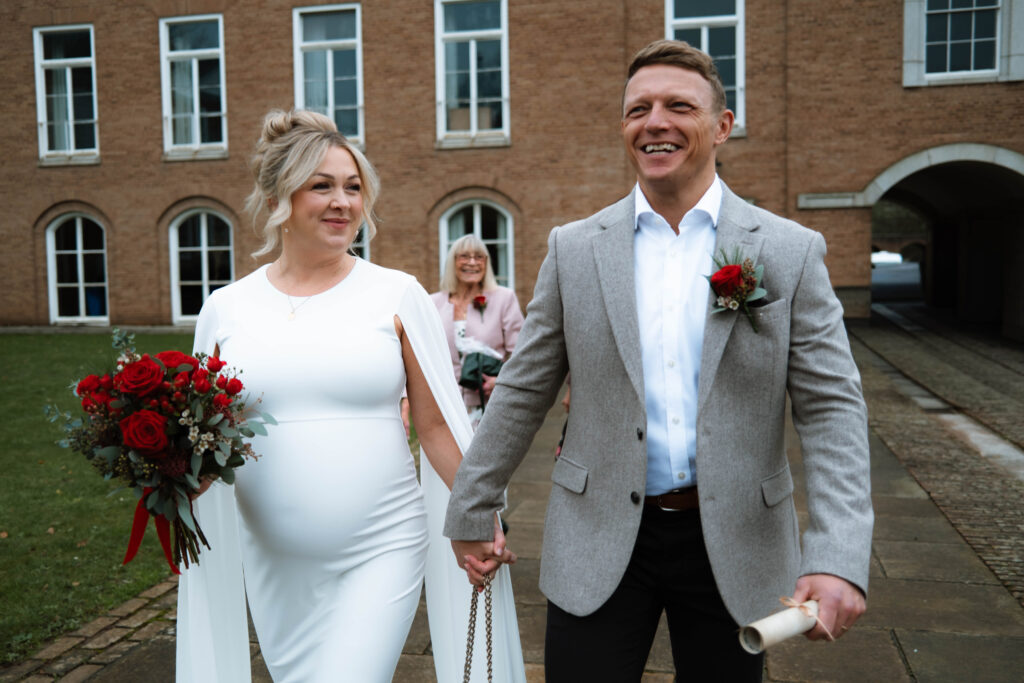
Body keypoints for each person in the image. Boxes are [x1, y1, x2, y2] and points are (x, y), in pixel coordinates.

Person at [444, 40, 873, 682]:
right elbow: (523, 390)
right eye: (638, 109)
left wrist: (838, 553)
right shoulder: (574, 250)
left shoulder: (789, 252)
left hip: (737, 544)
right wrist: (472, 508)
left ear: (722, 126)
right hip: (597, 538)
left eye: (679, 105)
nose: (655, 122)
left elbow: (832, 408)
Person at [175, 109, 524, 683]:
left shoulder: (396, 294)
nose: (343, 202)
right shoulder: (225, 307)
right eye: (322, 186)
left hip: (379, 547)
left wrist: (478, 513)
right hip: (275, 562)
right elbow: (209, 439)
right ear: (278, 198)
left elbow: (435, 428)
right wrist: (170, 469)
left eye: (354, 187)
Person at [431, 234, 524, 427]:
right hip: (443, 406)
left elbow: (521, 353)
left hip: (489, 406)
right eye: (464, 256)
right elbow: (419, 355)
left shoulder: (504, 299)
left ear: (486, 263)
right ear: (452, 262)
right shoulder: (433, 303)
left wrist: (501, 381)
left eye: (479, 257)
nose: (472, 262)